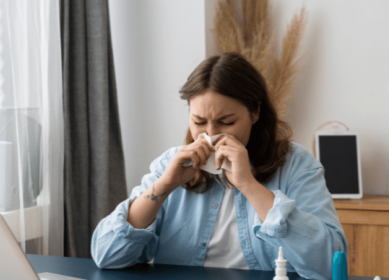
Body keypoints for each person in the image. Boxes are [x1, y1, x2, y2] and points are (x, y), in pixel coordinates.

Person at [91, 52, 347, 280]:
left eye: (226, 122)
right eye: (199, 122)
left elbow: (330, 265)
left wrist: (249, 185)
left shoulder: (297, 165)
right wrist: (164, 185)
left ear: (255, 113)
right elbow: (107, 255)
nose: (210, 135)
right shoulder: (170, 164)